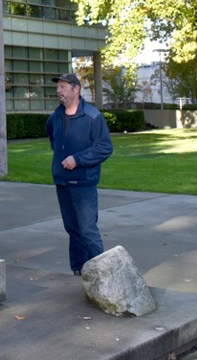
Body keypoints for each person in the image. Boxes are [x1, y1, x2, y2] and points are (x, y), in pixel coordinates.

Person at [46, 73, 113, 276]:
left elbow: (104, 148)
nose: (59, 91)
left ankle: (102, 273)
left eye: (64, 87)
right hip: (62, 181)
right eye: (58, 87)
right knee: (72, 229)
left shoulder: (93, 117)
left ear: (77, 89)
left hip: (83, 182)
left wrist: (78, 159)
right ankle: (79, 268)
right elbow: (54, 142)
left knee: (87, 230)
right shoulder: (54, 118)